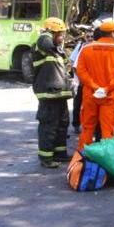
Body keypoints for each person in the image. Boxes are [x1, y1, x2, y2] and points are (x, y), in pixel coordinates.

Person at [75, 19, 114, 151]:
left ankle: (82, 160)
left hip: (90, 95)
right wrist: (106, 88)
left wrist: (95, 87)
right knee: (107, 132)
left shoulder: (86, 49)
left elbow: (81, 72)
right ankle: (106, 162)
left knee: (87, 129)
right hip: (110, 97)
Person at [32, 18, 73, 168]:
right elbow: (45, 40)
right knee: (49, 125)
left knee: (62, 124)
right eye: (60, 34)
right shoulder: (43, 43)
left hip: (59, 94)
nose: (62, 37)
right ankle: (46, 158)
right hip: (48, 94)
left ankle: (60, 154)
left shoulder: (56, 51)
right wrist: (48, 32)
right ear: (52, 33)